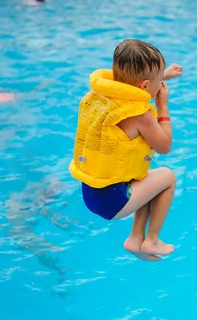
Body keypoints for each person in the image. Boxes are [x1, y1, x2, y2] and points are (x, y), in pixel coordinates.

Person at [69, 39, 183, 261]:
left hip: (92, 192)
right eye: (159, 80)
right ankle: (151, 240)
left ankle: (134, 240)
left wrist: (163, 76)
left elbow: (130, 88)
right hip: (113, 201)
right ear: (144, 85)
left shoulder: (102, 97)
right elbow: (165, 146)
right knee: (167, 177)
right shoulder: (139, 115)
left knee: (149, 179)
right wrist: (163, 106)